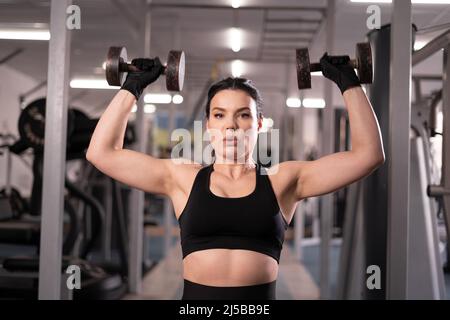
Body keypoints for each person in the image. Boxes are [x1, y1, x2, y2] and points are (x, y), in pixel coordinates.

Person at [86, 54, 385, 300]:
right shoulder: (181, 177)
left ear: (258, 124)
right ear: (208, 126)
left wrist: (349, 82)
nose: (231, 126)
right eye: (219, 115)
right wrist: (132, 88)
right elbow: (101, 153)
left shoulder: (284, 180)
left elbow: (368, 155)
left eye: (242, 115)